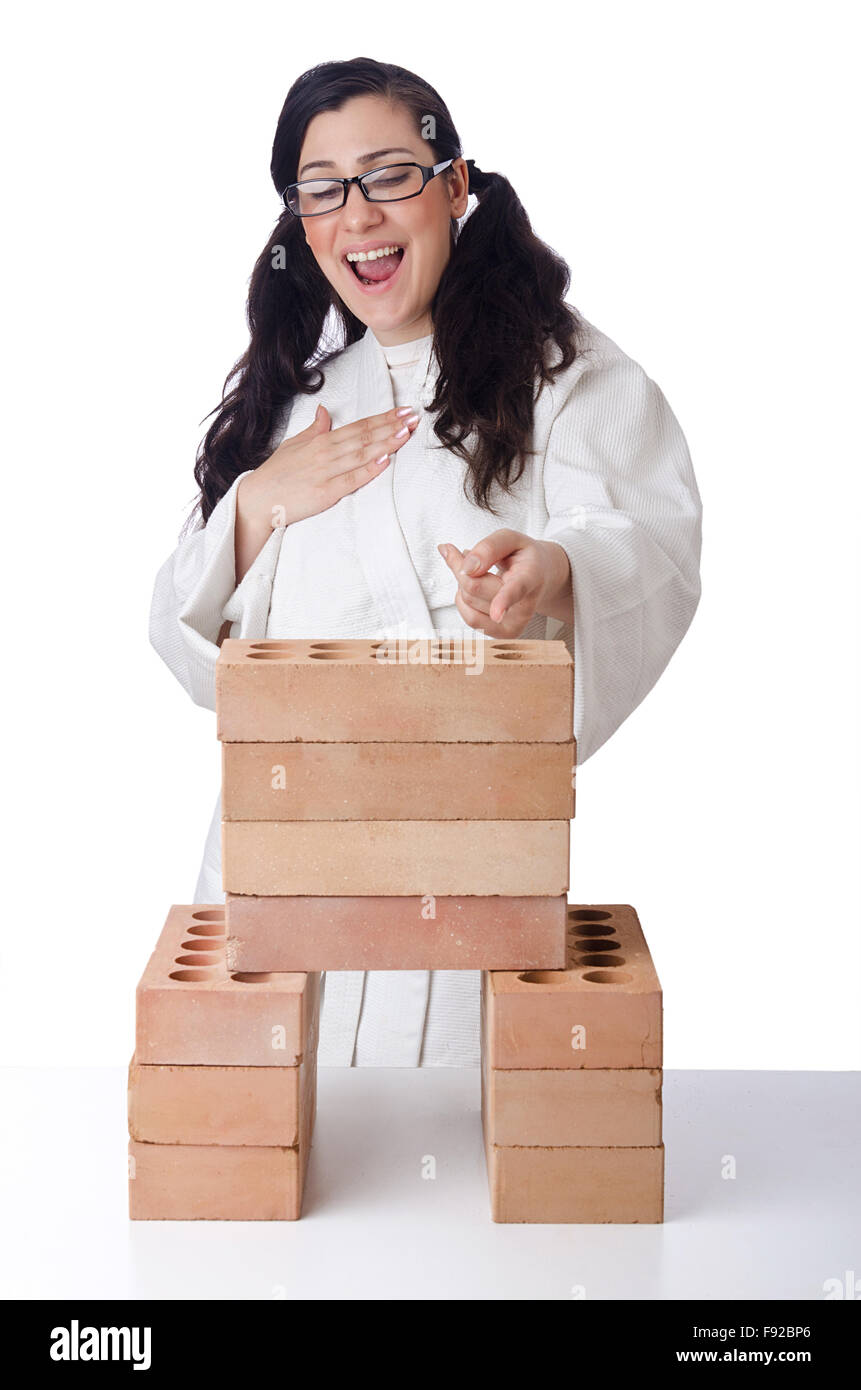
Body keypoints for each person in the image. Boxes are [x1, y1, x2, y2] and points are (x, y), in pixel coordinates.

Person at [149, 56, 703, 1067]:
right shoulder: (293, 403)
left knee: (442, 1170)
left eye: (390, 174)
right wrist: (260, 500)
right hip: (272, 869)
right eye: (322, 189)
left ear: (455, 186)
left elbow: (647, 533)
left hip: (459, 869)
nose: (356, 213)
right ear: (299, 220)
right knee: (246, 1150)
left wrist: (554, 567)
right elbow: (191, 654)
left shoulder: (561, 377)